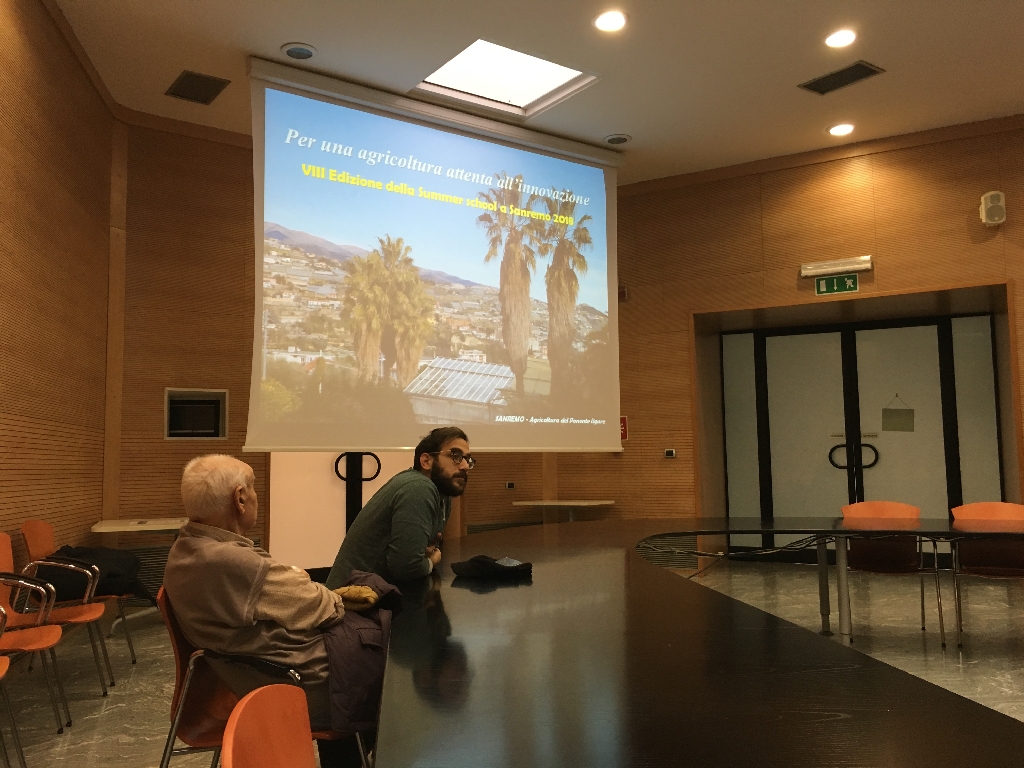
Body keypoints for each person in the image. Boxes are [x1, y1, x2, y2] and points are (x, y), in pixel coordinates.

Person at [163, 454, 382, 767]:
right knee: (391, 672)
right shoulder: (234, 563)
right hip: (295, 684)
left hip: (247, 673)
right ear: (240, 498)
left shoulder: (186, 547)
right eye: (252, 489)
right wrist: (303, 581)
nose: (255, 497)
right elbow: (323, 607)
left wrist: (296, 581)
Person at [326, 427, 471, 588]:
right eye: (455, 456)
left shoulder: (443, 495)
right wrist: (432, 561)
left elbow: (423, 551)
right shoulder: (418, 488)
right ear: (426, 461)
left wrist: (424, 558)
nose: (464, 466)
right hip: (349, 605)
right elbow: (407, 568)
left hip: (381, 595)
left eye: (467, 459)